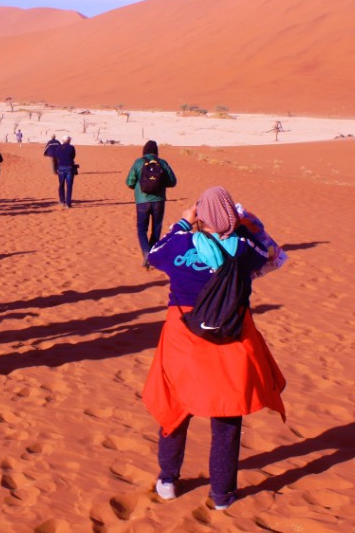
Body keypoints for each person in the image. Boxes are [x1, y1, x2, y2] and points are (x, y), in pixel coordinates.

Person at [142, 186, 286, 510]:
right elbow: (275, 256)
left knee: (176, 409)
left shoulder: (179, 242)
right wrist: (250, 222)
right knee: (226, 417)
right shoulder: (245, 249)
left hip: (183, 340)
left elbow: (153, 255)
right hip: (230, 341)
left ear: (200, 216)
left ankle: (167, 480)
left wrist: (181, 223)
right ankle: (221, 495)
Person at [126, 140, 178, 269]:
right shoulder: (162, 163)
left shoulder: (139, 162)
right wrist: (160, 183)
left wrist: (139, 185)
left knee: (142, 229)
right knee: (156, 229)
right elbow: (173, 182)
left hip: (142, 201)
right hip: (159, 201)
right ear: (156, 151)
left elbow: (129, 182)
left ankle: (146, 251)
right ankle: (151, 255)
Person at [52, 136, 77, 208]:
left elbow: (56, 157)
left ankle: (62, 201)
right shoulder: (72, 147)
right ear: (68, 140)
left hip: (61, 168)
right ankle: (68, 203)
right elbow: (73, 156)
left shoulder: (58, 148)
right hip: (69, 167)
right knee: (69, 186)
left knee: (61, 185)